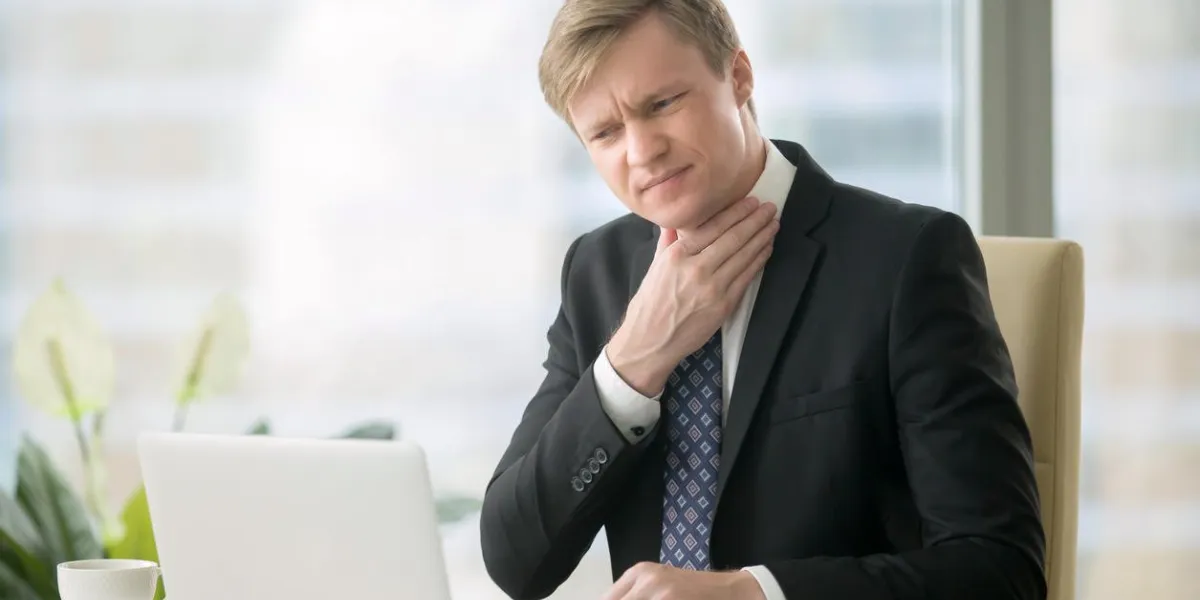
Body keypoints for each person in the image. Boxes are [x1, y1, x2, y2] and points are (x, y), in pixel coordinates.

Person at [479, 1, 1047, 598]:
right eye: (606, 132)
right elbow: (517, 562)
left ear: (739, 75)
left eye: (663, 104)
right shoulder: (596, 271)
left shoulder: (906, 258)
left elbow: (999, 571)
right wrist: (632, 363)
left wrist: (751, 594)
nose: (642, 151)